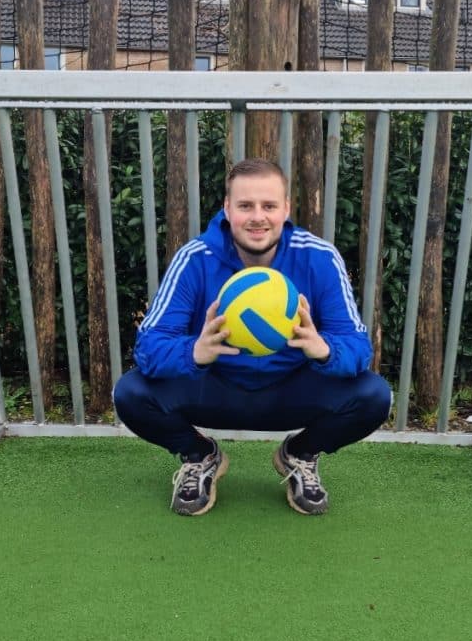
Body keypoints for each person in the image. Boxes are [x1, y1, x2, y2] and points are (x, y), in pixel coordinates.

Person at [113, 158, 391, 516]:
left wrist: (325, 350)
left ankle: (299, 454)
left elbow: (358, 348)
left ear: (286, 209)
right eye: (245, 206)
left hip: (292, 391)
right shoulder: (195, 258)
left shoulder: (319, 257)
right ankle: (200, 456)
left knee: (373, 396)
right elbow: (149, 347)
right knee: (131, 393)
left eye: (269, 206)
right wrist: (194, 352)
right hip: (215, 389)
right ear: (227, 208)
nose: (258, 217)